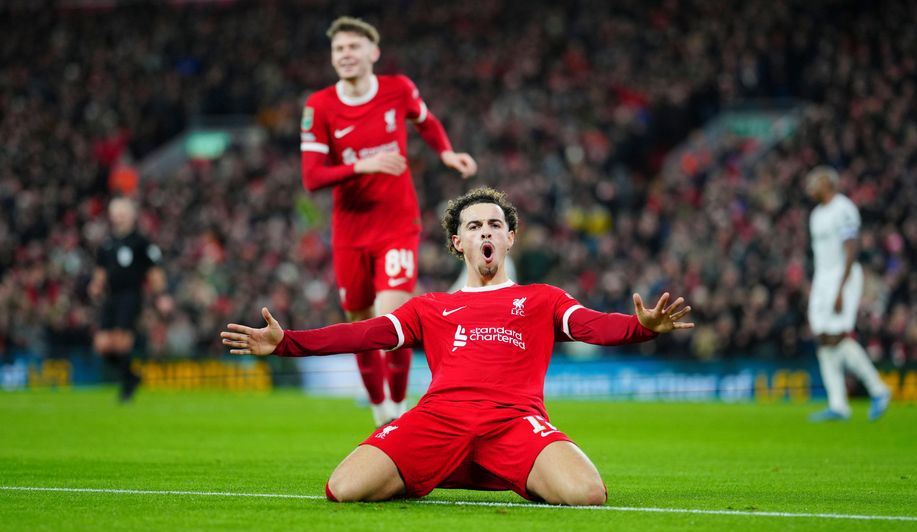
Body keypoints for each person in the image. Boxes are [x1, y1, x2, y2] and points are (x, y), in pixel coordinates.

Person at [221, 187, 693, 505]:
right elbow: (364, 332)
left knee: (588, 493)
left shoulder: (542, 299)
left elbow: (593, 326)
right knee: (343, 488)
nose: (485, 231)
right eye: (474, 226)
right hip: (439, 420)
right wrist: (287, 343)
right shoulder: (431, 306)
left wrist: (642, 327)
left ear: (509, 238)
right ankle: (433, 465)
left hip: (514, 422)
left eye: (495, 225)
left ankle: (470, 469)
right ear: (457, 242)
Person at [299, 16, 478, 426]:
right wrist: (363, 165)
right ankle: (380, 408)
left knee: (392, 319)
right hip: (350, 231)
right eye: (339, 49)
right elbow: (312, 178)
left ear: (373, 52)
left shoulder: (398, 89)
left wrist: (446, 152)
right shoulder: (319, 106)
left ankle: (398, 408)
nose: (345, 54)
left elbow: (426, 121)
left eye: (353, 47)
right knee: (360, 323)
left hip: (397, 224)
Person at [805, 167, 891, 422]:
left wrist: (841, 287)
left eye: (814, 182)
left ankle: (878, 389)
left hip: (842, 276)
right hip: (823, 278)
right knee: (822, 337)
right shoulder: (816, 214)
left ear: (827, 184)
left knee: (838, 336)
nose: (810, 187)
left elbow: (851, 248)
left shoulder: (844, 209)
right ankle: (838, 405)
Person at [88, 197, 170, 401]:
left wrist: (161, 296)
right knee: (101, 344)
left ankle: (127, 386)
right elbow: (101, 270)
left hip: (131, 295)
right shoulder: (107, 243)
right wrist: (96, 286)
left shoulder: (141, 242)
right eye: (116, 213)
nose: (119, 217)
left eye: (122, 213)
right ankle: (131, 376)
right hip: (112, 296)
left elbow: (154, 271)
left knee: (121, 341)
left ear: (131, 215)